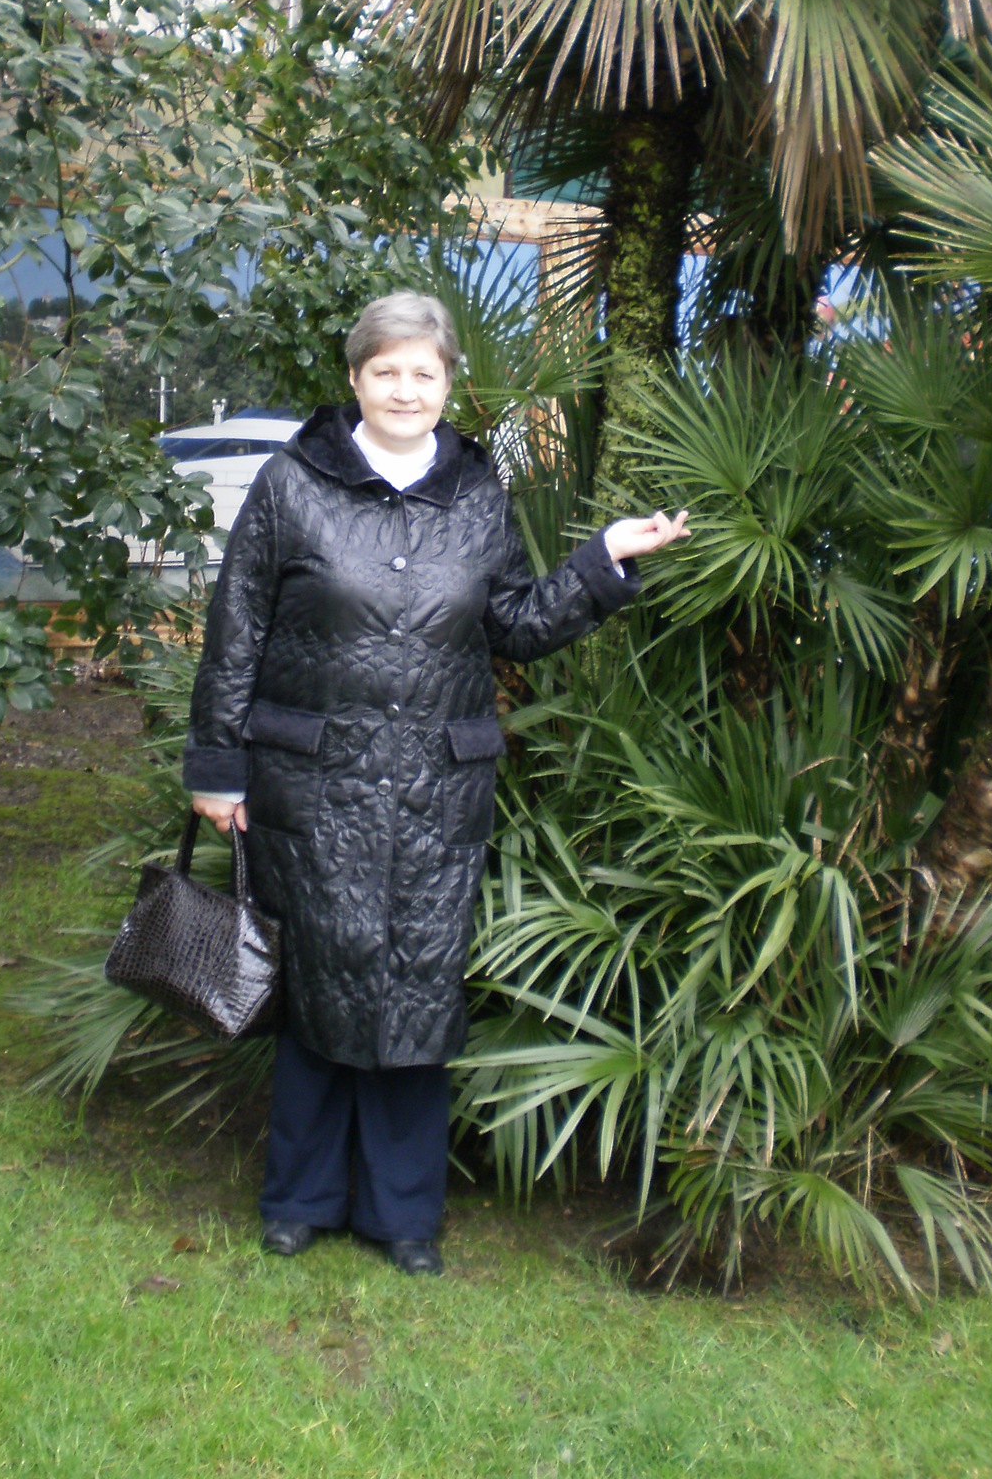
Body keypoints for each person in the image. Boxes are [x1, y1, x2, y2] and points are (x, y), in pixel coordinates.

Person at [183, 291, 688, 1276]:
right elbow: (235, 628)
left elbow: (516, 625)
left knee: (416, 987)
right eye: (387, 371)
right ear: (356, 379)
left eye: (424, 371)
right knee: (317, 981)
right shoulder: (292, 485)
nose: (405, 389)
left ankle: (404, 1216)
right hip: (311, 783)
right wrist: (217, 766)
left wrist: (603, 561)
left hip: (435, 795)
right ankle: (298, 1199)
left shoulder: (477, 493)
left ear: (449, 381)